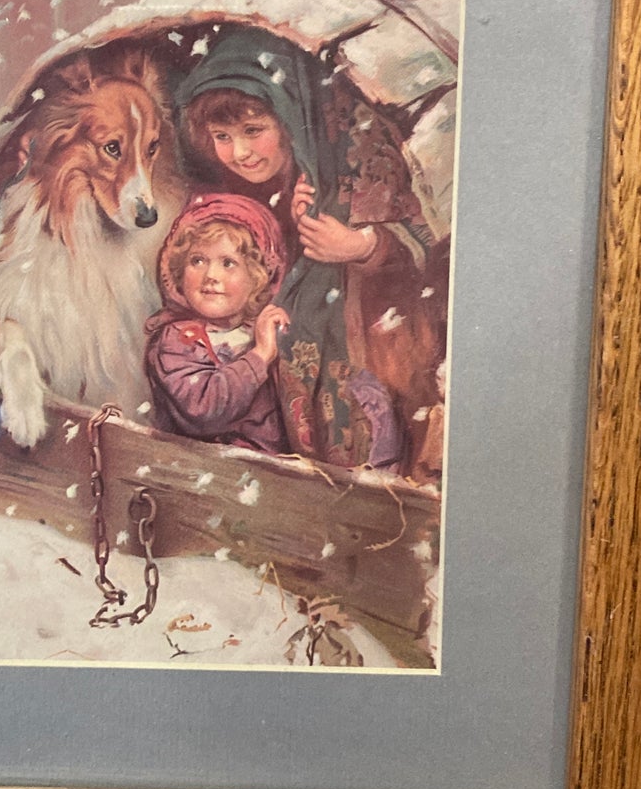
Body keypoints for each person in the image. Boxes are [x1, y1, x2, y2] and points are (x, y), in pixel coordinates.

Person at [174, 25, 446, 475]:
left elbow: (426, 247)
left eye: (253, 130)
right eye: (222, 137)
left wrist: (362, 246)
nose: (239, 152)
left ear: (290, 117)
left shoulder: (358, 148)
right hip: (290, 380)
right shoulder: (255, 184)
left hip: (372, 363)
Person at [145, 194, 290, 453]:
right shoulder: (177, 339)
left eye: (228, 263)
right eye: (197, 261)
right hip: (206, 471)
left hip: (274, 474)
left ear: (257, 278)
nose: (211, 276)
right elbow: (205, 407)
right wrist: (260, 356)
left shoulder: (261, 329)